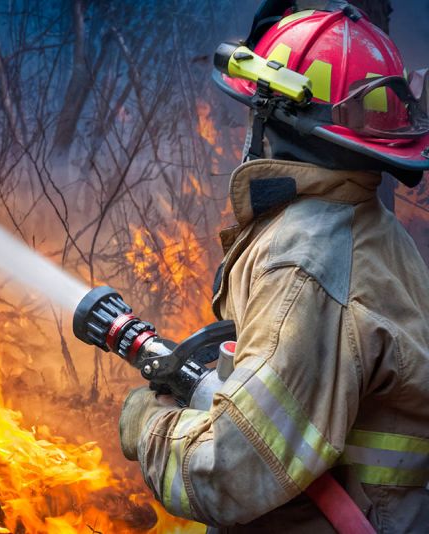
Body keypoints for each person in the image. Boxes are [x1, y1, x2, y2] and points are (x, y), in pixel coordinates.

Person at [118, 2, 429, 532]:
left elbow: (231, 472)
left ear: (273, 118)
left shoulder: (303, 265)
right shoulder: (366, 227)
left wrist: (145, 423)